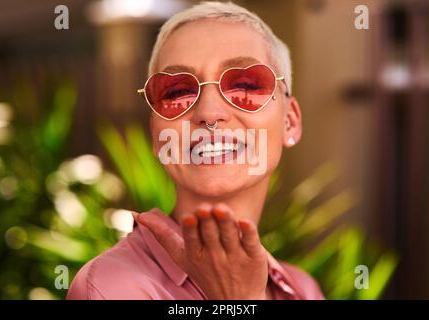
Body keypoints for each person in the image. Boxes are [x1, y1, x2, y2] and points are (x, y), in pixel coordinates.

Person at [67, 1, 324, 300]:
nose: (209, 113)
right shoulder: (110, 288)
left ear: (289, 122)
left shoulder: (303, 289)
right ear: (157, 135)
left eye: (244, 85)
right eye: (177, 92)